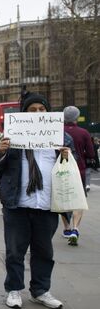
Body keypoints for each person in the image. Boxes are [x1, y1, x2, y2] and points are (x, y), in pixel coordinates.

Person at [0, 92, 70, 309]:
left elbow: (72, 167)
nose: (37, 113)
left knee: (44, 251)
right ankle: (14, 290)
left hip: (46, 204)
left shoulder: (60, 138)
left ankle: (41, 290)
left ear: (47, 112)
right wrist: (0, 152)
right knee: (15, 251)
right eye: (32, 109)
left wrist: (66, 156)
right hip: (18, 204)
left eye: (41, 109)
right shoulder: (11, 137)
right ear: (24, 114)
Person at [61, 105, 95, 246]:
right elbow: (91, 154)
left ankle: (67, 228)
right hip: (79, 169)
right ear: (77, 117)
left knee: (62, 198)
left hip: (61, 170)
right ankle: (75, 228)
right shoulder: (84, 132)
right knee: (78, 200)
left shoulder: (59, 131)